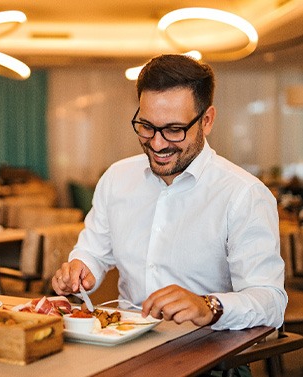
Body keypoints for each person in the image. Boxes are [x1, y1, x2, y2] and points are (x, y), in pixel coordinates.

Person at [52, 54, 287, 339]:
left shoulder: (243, 194)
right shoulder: (116, 178)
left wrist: (207, 306)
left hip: (207, 348)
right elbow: (93, 252)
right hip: (120, 340)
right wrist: (81, 268)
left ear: (207, 120)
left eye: (174, 130)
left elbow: (271, 301)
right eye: (147, 126)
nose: (157, 143)